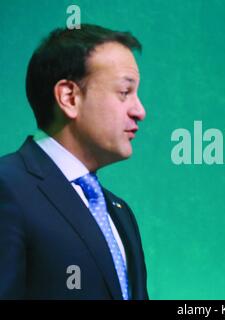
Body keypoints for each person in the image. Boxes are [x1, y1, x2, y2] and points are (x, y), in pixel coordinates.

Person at [0, 24, 148, 299]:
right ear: (69, 97)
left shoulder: (119, 211)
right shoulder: (7, 187)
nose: (140, 111)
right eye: (124, 92)